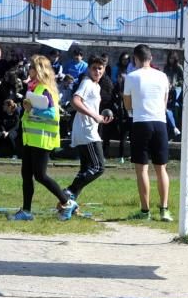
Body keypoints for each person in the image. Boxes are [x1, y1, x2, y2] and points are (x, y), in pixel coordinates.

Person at [8, 55, 79, 222]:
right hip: (31, 138)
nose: (28, 71)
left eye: (31, 68)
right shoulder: (34, 88)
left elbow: (53, 114)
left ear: (38, 70)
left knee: (40, 175)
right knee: (26, 173)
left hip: (42, 139)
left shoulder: (46, 90)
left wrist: (32, 109)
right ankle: (26, 211)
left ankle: (67, 202)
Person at [122, 44, 173, 222]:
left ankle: (145, 211)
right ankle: (164, 209)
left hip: (141, 123)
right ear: (150, 58)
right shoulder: (162, 76)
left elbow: (127, 104)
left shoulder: (131, 76)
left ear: (135, 58)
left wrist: (134, 110)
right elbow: (165, 101)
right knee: (161, 169)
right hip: (160, 123)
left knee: (142, 169)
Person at [63, 55, 113, 204]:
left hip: (84, 129)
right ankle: (69, 190)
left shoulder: (96, 86)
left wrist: (100, 117)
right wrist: (94, 116)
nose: (97, 71)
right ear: (88, 69)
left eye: (100, 68)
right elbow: (75, 101)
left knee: (85, 169)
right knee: (99, 167)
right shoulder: (87, 82)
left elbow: (89, 106)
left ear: (104, 70)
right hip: (86, 131)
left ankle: (69, 203)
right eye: (94, 68)